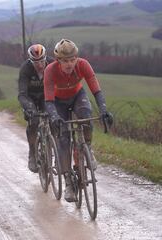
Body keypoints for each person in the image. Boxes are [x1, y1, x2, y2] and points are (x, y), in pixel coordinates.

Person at [43, 39, 113, 202]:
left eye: (73, 60)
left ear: (77, 58)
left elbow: (96, 90)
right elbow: (48, 100)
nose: (69, 64)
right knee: (63, 138)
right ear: (58, 60)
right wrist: (55, 117)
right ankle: (68, 181)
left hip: (77, 96)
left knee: (86, 115)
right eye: (65, 61)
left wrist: (103, 110)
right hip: (57, 101)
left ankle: (86, 147)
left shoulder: (83, 65)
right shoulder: (50, 70)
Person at [18, 44, 52, 173]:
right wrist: (28, 108)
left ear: (46, 58)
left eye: (42, 61)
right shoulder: (25, 69)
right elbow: (22, 94)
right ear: (30, 61)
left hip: (45, 96)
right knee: (34, 122)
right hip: (30, 98)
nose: (40, 65)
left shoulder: (52, 64)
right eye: (36, 62)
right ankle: (32, 153)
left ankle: (51, 147)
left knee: (53, 120)